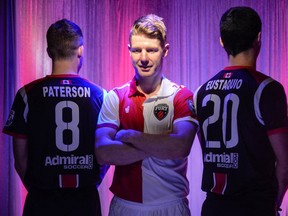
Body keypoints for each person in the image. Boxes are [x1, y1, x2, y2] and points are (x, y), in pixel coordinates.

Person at [2, 19, 108, 216]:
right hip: (84, 199)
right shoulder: (101, 95)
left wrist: (37, 186)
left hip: (41, 198)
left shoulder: (27, 94)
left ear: (49, 51)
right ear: (81, 51)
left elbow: (20, 158)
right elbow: (106, 154)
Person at [95, 14, 198, 216]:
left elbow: (180, 147)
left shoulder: (181, 95)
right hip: (125, 206)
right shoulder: (115, 96)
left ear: (165, 51)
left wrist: (131, 137)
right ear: (129, 50)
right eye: (137, 50)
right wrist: (161, 146)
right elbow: (102, 153)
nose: (143, 58)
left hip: (171, 205)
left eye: (151, 50)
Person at [193, 6, 288, 216]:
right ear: (259, 37)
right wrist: (275, 203)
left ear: (221, 41)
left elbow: (208, 149)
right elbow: (284, 162)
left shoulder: (200, 92)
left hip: (213, 207)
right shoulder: (268, 89)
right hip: (254, 205)